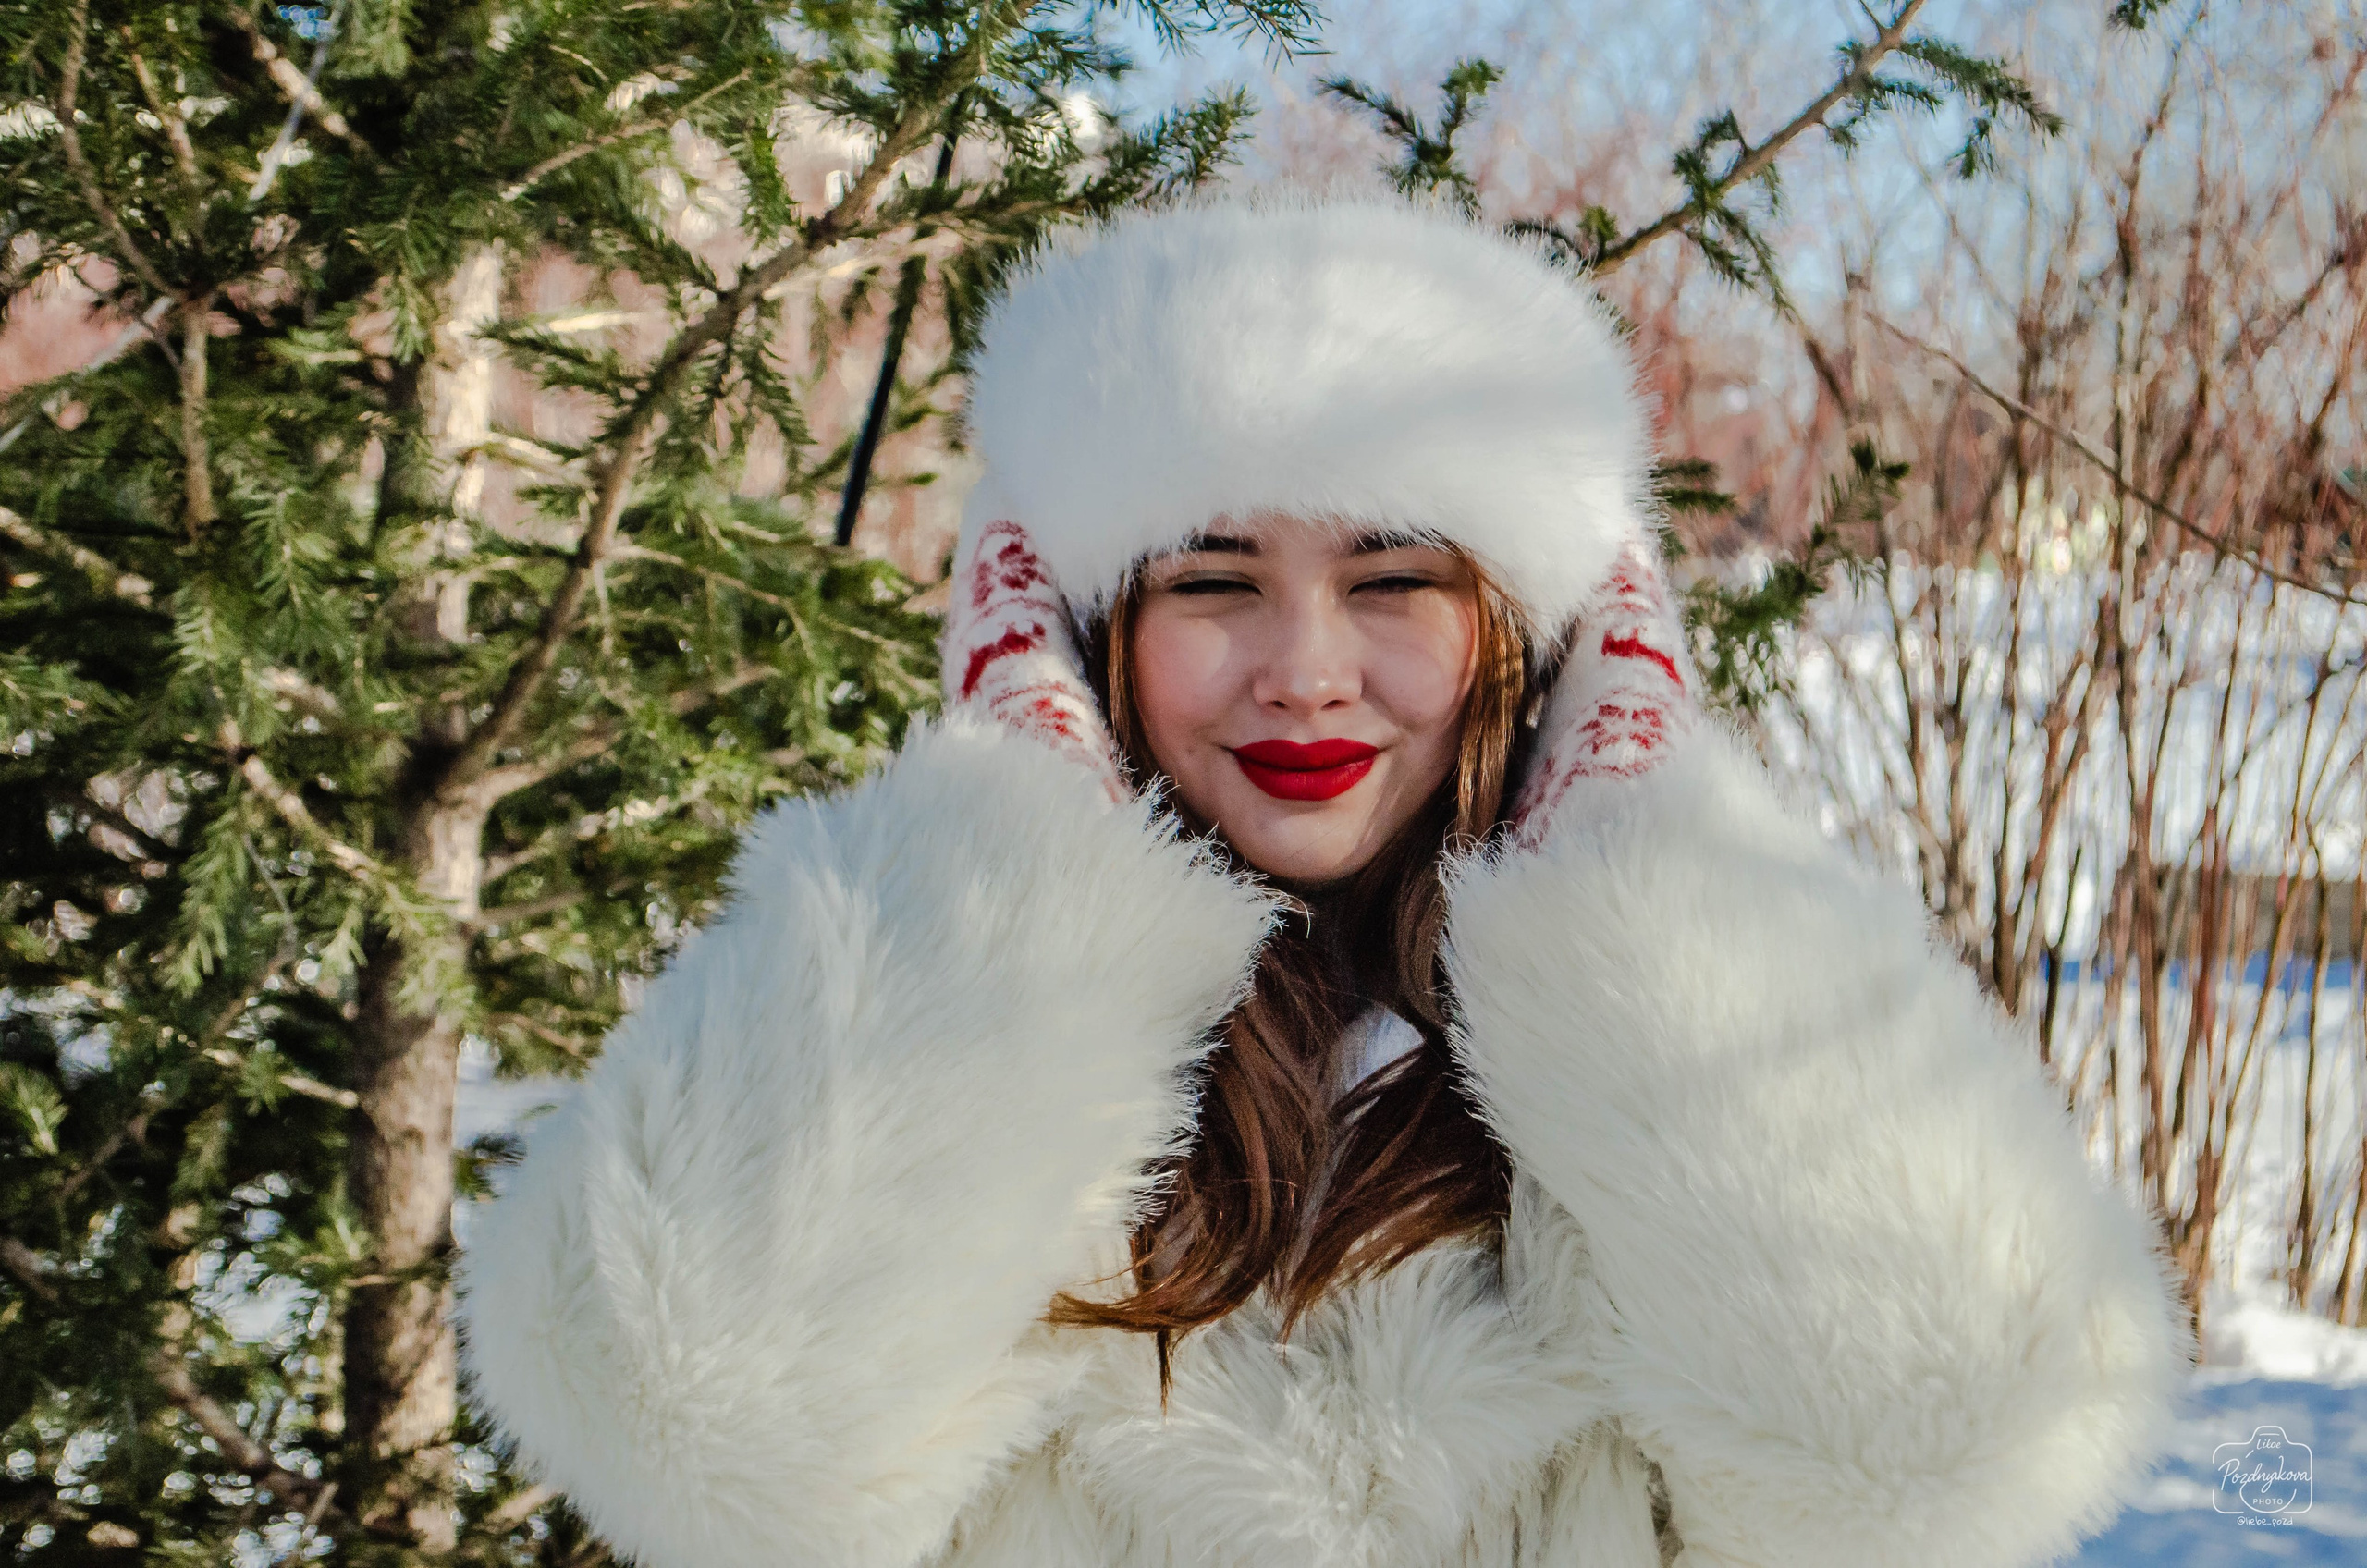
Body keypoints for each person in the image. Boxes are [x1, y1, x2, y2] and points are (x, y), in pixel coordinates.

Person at [460, 199, 2186, 1568]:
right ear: (1075, 634)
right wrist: (1012, 870)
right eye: (1213, 580)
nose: (1305, 670)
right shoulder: (936, 984)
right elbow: (697, 1435)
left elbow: (1945, 1458)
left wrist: (1639, 882)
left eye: (1391, 581)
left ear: (1528, 628)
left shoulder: (1667, 1027)